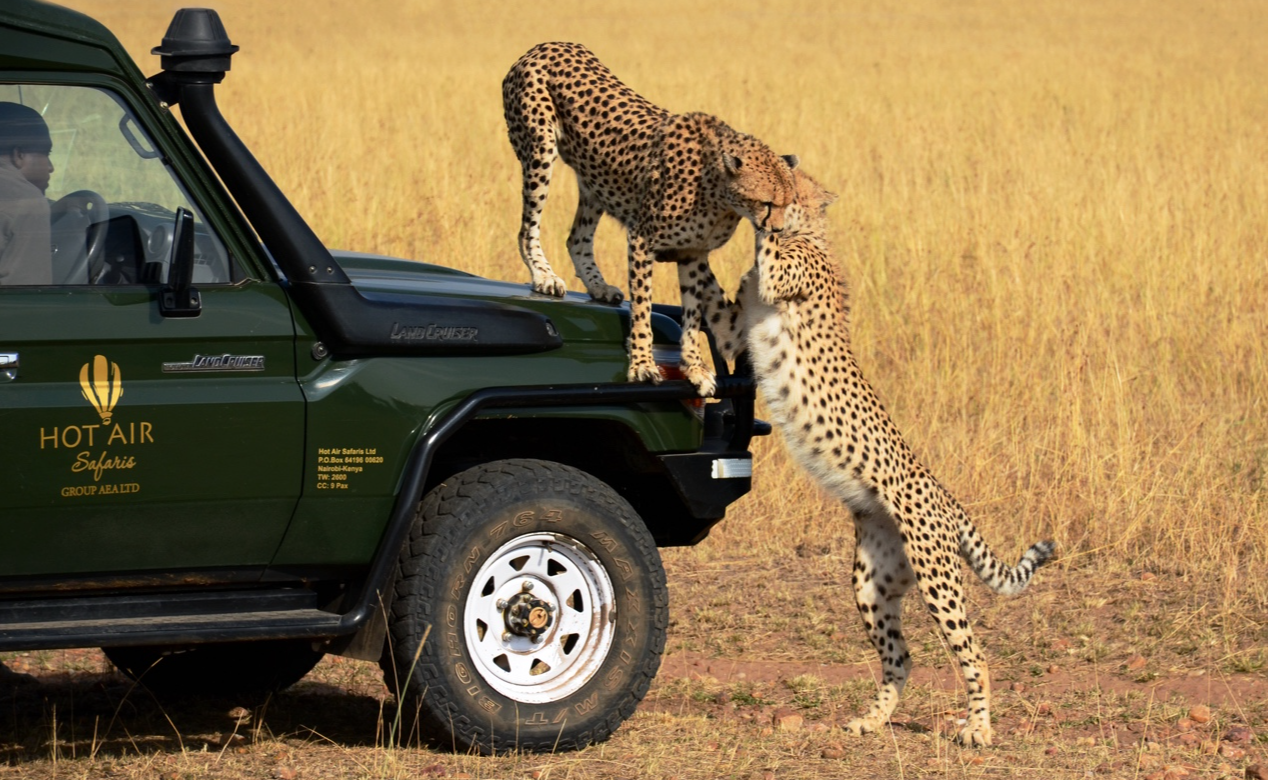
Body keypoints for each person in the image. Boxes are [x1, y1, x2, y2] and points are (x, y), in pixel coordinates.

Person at [0, 101, 54, 285]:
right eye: (46, 153)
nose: (50, 167)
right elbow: (30, 300)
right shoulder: (27, 202)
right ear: (19, 155)